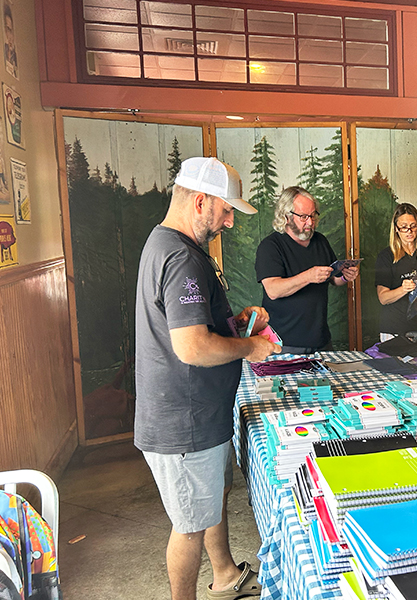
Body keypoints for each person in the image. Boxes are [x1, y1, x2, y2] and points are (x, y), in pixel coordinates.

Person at [135, 156, 281, 600]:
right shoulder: (181, 257)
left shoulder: (171, 246)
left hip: (198, 415)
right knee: (190, 525)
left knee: (209, 501)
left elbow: (191, 326)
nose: (230, 221)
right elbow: (191, 346)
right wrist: (250, 347)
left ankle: (224, 576)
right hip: (186, 422)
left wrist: (234, 324)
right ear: (200, 202)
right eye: (225, 210)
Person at [255, 186, 359, 353]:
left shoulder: (320, 241)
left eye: (312, 215)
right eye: (303, 217)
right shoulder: (270, 246)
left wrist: (346, 276)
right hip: (283, 344)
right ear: (286, 216)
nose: (310, 222)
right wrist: (309, 276)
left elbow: (334, 279)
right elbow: (273, 290)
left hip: (321, 341)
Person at [375, 203, 417, 340]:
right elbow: (383, 298)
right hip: (394, 329)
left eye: (413, 226)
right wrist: (403, 289)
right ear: (396, 229)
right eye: (404, 227)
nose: (409, 231)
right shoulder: (386, 256)